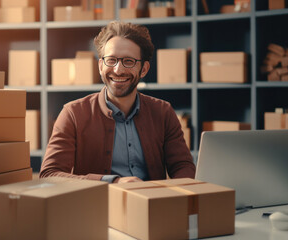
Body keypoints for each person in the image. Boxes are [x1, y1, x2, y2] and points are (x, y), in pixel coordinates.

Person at [40, 21, 195, 183]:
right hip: (98, 204)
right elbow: (50, 174)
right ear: (101, 66)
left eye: (128, 61)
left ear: (144, 69)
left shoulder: (163, 111)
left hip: (151, 203)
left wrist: (173, 194)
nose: (118, 70)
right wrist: (113, 182)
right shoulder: (73, 113)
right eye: (111, 60)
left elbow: (183, 165)